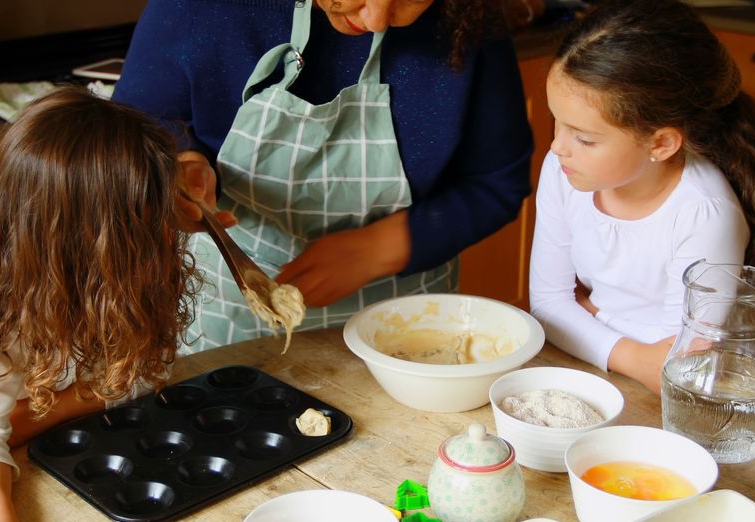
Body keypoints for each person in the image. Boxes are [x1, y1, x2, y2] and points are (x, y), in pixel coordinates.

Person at [113, 0, 536, 353]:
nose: (375, 20)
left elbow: (497, 182)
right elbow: (137, 128)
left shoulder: (468, 17)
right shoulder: (202, 9)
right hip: (229, 312)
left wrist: (377, 249)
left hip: (404, 322)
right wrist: (178, 164)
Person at [0, 87, 200, 522]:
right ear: (83, 243)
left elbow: (147, 374)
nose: (165, 240)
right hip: (33, 465)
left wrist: (27, 419)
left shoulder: (131, 277)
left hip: (97, 446)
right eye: (146, 230)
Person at [529, 0, 755, 392]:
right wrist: (630, 348)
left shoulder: (704, 214)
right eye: (557, 122)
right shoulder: (565, 170)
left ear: (662, 143)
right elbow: (547, 307)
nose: (557, 146)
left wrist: (595, 319)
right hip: (600, 372)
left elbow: (677, 363)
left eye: (584, 137)